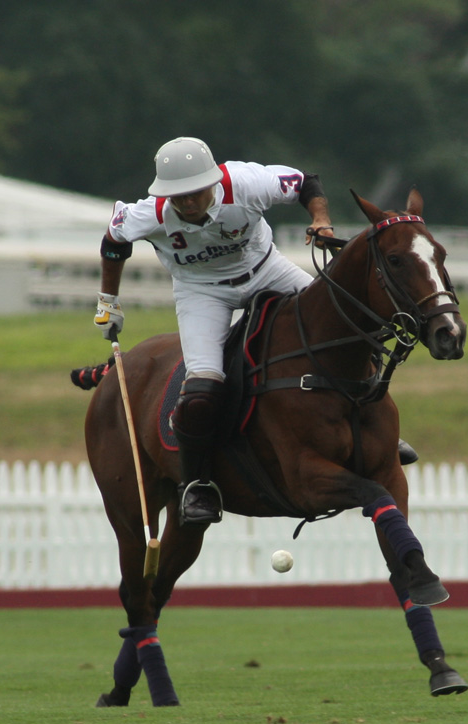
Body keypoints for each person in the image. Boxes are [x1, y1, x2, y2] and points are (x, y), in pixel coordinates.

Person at [94, 136, 334, 526]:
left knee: (339, 324)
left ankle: (376, 435)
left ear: (213, 181)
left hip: (266, 271)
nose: (187, 203)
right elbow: (114, 242)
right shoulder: (149, 213)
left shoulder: (244, 183)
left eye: (196, 193)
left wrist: (320, 220)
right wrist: (108, 300)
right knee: (202, 388)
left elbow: (307, 182)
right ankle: (198, 485)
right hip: (201, 292)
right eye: (178, 197)